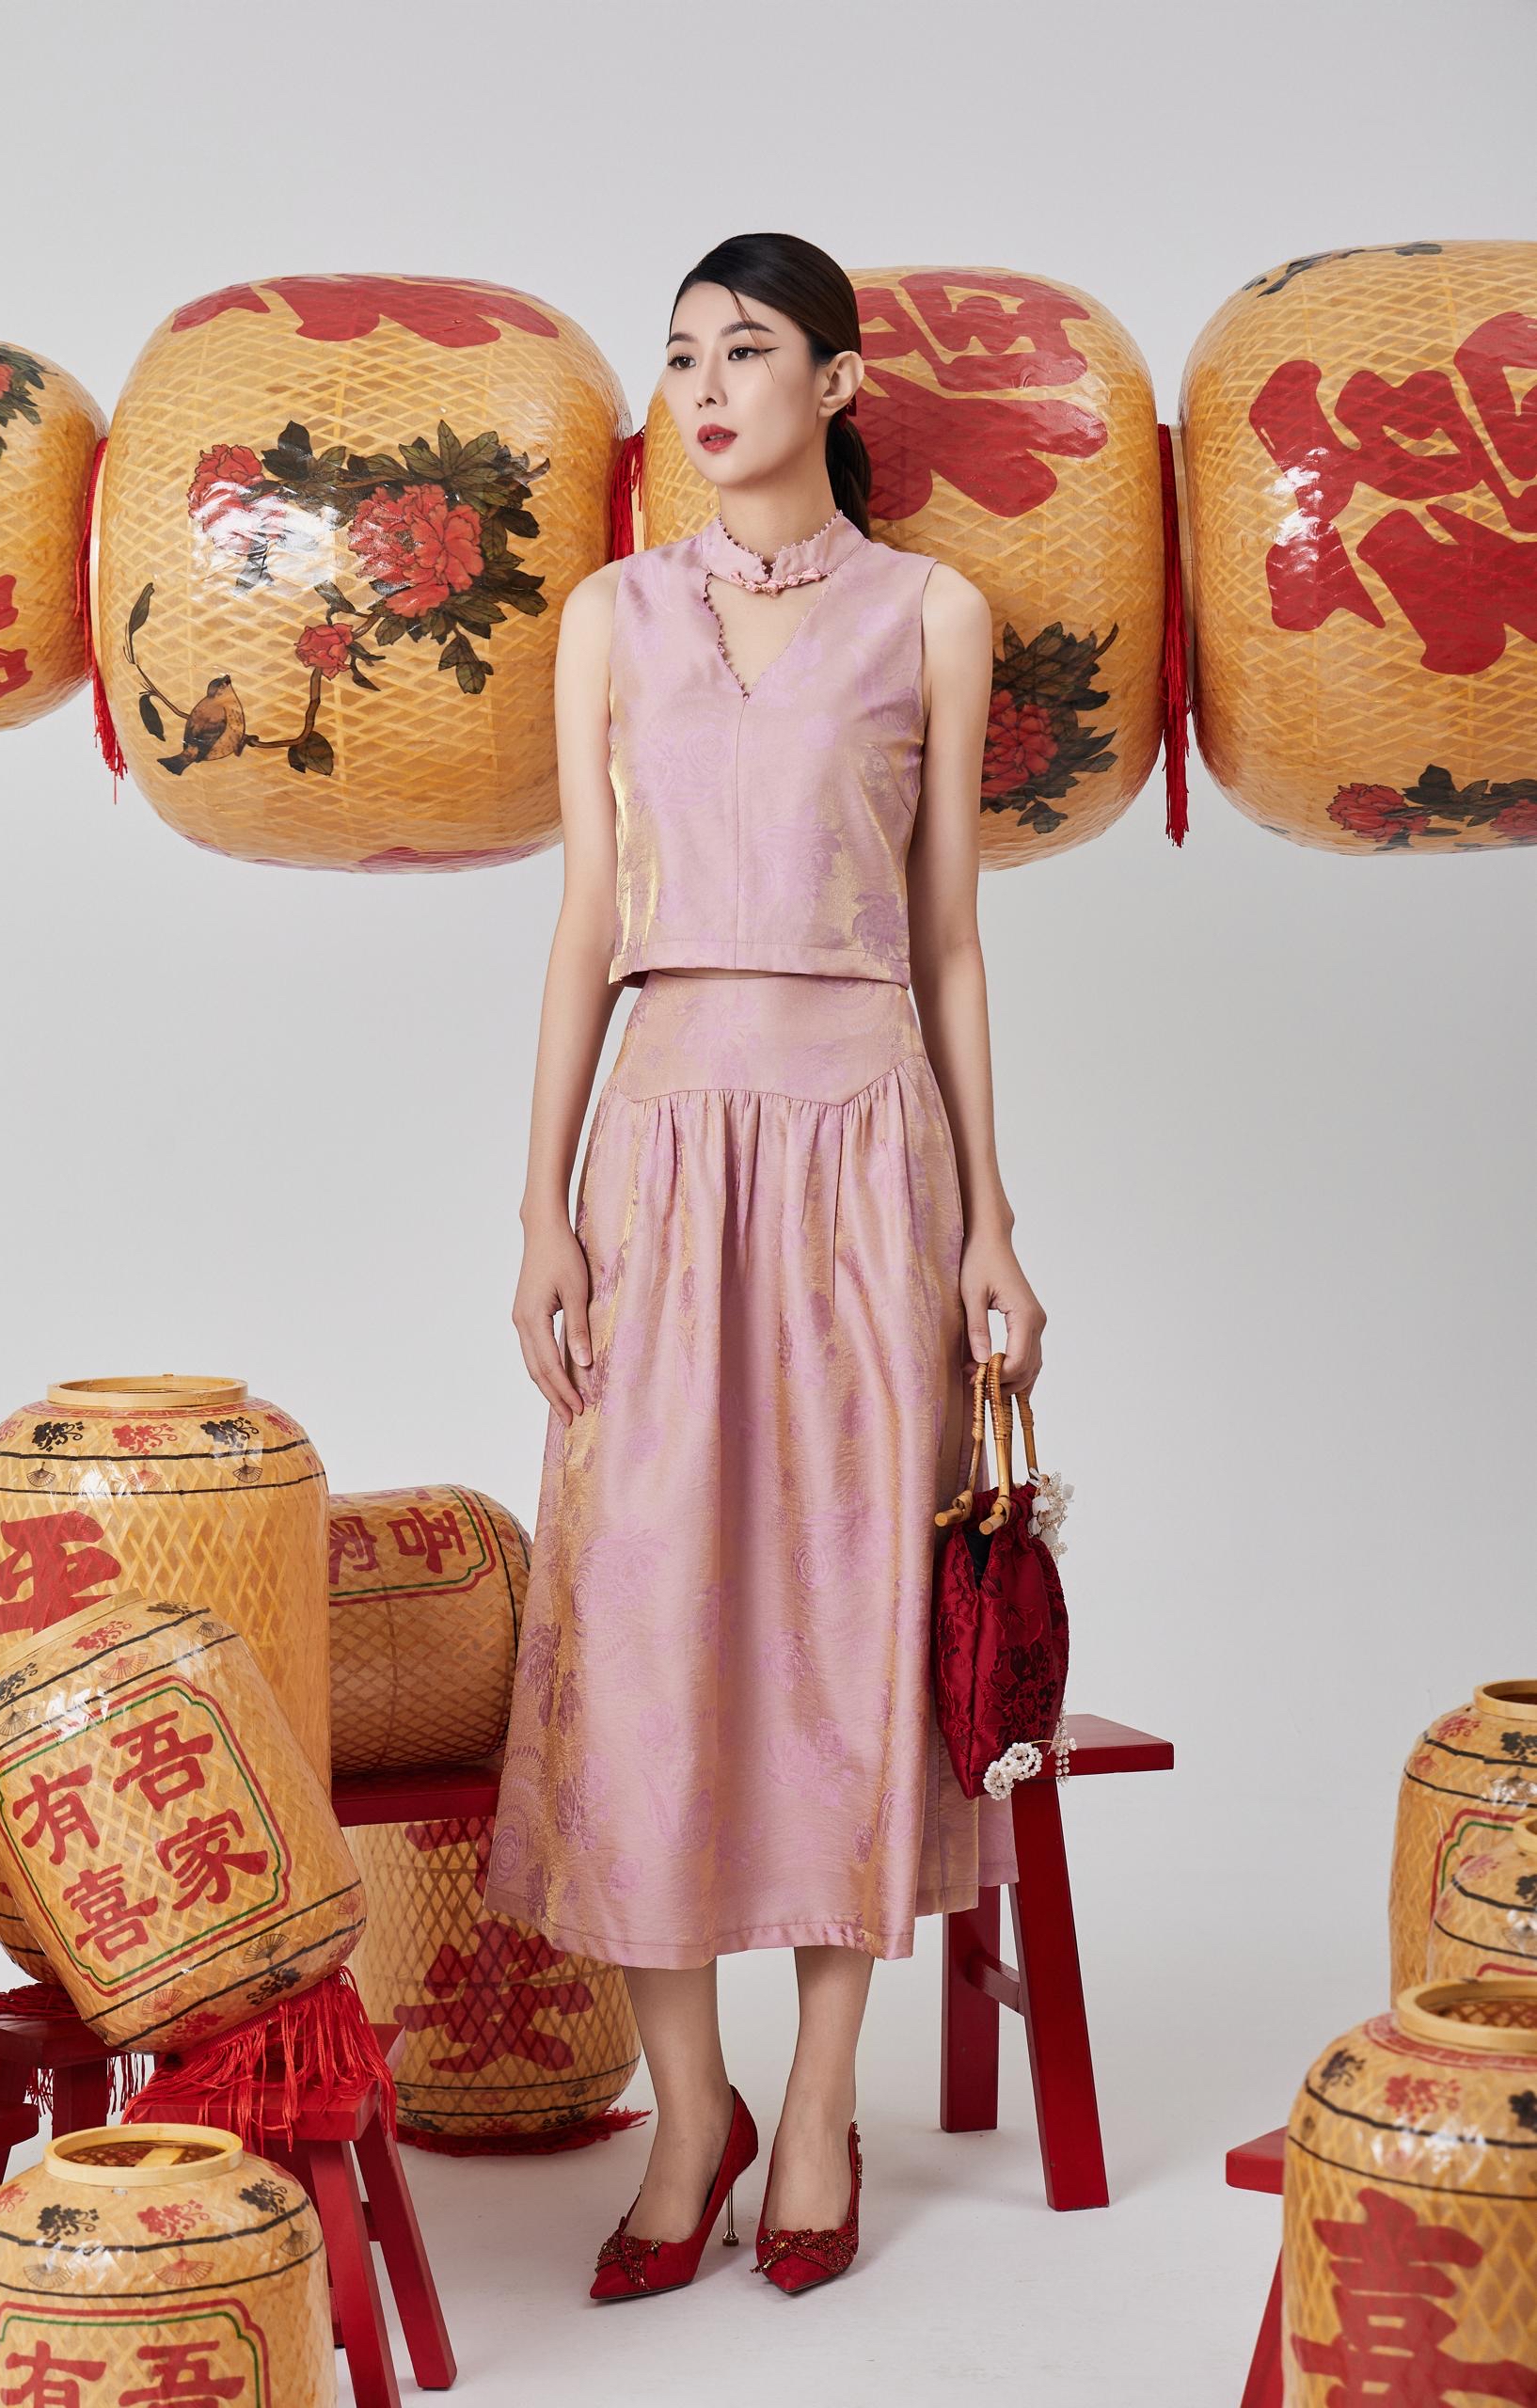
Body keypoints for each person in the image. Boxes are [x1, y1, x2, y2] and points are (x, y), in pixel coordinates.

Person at [482, 230, 1046, 2300]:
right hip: (659, 1135)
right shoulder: (609, 617)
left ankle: (816, 2103)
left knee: (841, 1624)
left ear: (837, 378)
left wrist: (993, 1221)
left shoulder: (930, 613)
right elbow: (583, 921)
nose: (705, 389)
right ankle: (687, 2106)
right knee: (639, 1617)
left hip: (862, 1148)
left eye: (745, 350)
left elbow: (951, 939)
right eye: (681, 357)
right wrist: (539, 1203)